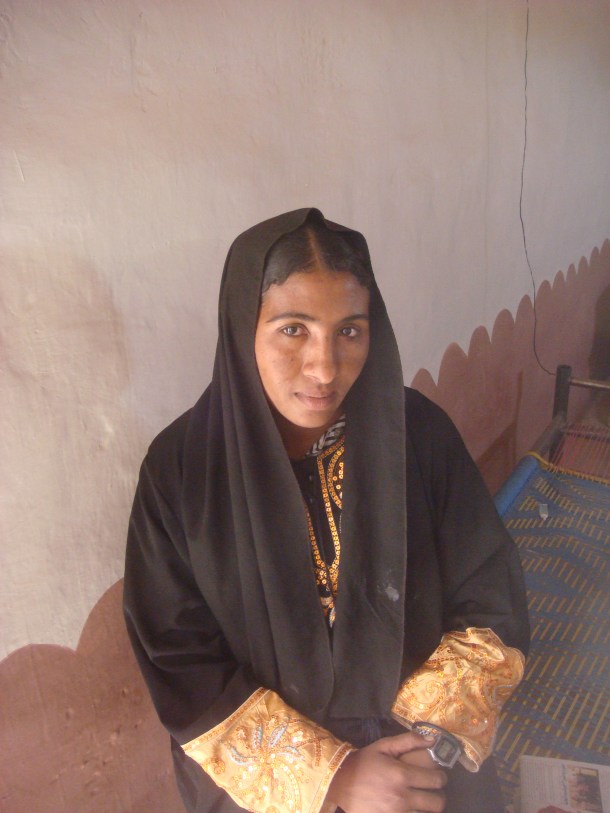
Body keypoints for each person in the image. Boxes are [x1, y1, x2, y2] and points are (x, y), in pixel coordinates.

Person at [124, 208, 530, 813]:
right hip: (267, 781)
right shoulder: (182, 470)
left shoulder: (417, 435)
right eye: (293, 329)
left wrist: (426, 743)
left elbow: (489, 591)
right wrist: (333, 777)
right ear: (243, 328)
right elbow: (178, 656)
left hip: (420, 766)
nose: (324, 367)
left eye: (350, 330)